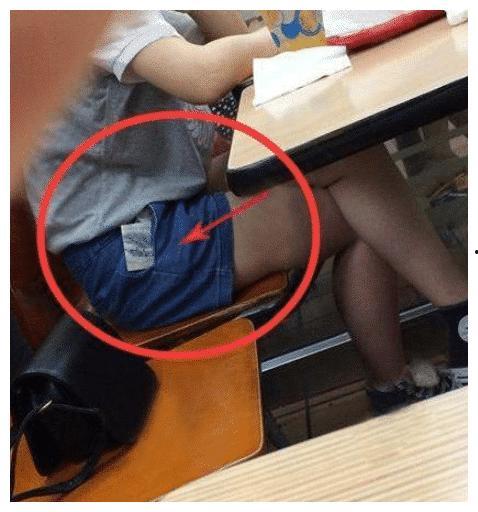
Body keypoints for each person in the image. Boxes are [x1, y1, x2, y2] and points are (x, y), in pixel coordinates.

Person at [25, 10, 467, 414]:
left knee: (347, 165)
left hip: (157, 212)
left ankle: (405, 375)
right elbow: (203, 76)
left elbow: (237, 39)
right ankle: (454, 330)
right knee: (362, 198)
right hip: (134, 253)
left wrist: (298, 28)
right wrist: (317, 25)